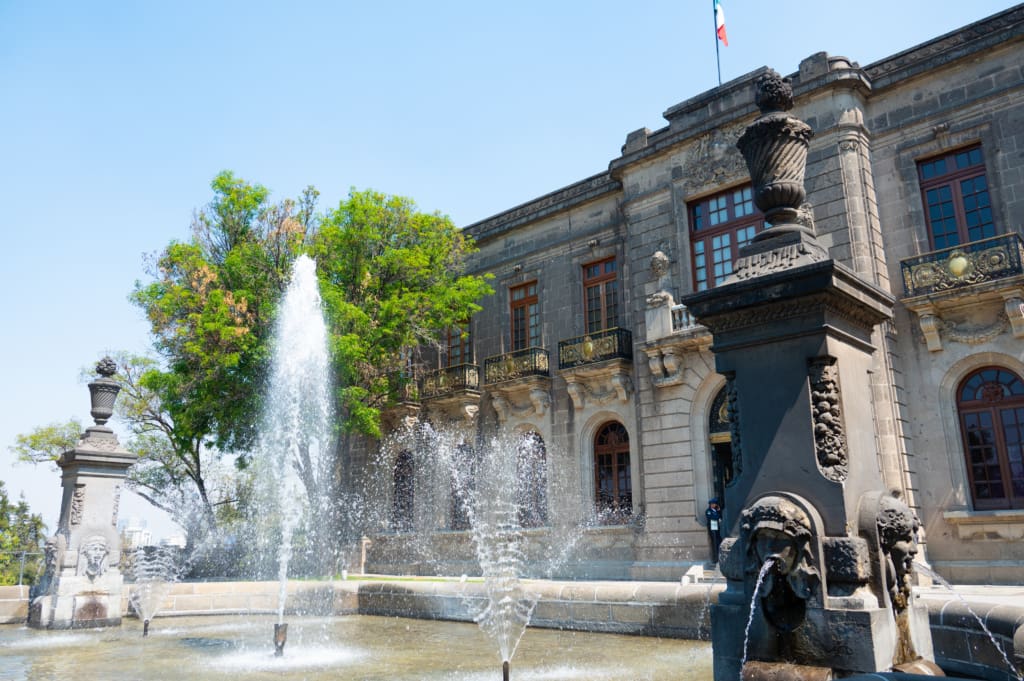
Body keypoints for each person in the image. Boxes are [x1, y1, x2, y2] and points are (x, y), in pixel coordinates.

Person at [705, 498, 723, 564]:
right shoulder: (708, 511)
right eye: (712, 504)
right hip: (712, 529)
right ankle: (715, 559)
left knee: (718, 542)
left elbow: (720, 517)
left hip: (717, 528)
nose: (713, 505)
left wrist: (719, 511)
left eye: (714, 504)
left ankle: (719, 557)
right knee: (714, 543)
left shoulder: (716, 511)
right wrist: (718, 515)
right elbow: (714, 517)